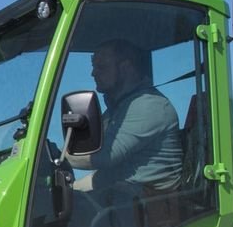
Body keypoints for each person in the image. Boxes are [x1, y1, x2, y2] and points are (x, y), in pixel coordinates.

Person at [67, 38, 182, 200]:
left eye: (102, 66)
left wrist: (55, 158)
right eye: (94, 66)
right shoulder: (120, 107)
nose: (93, 73)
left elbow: (104, 156)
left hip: (149, 205)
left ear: (126, 67)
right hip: (122, 195)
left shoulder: (147, 105)